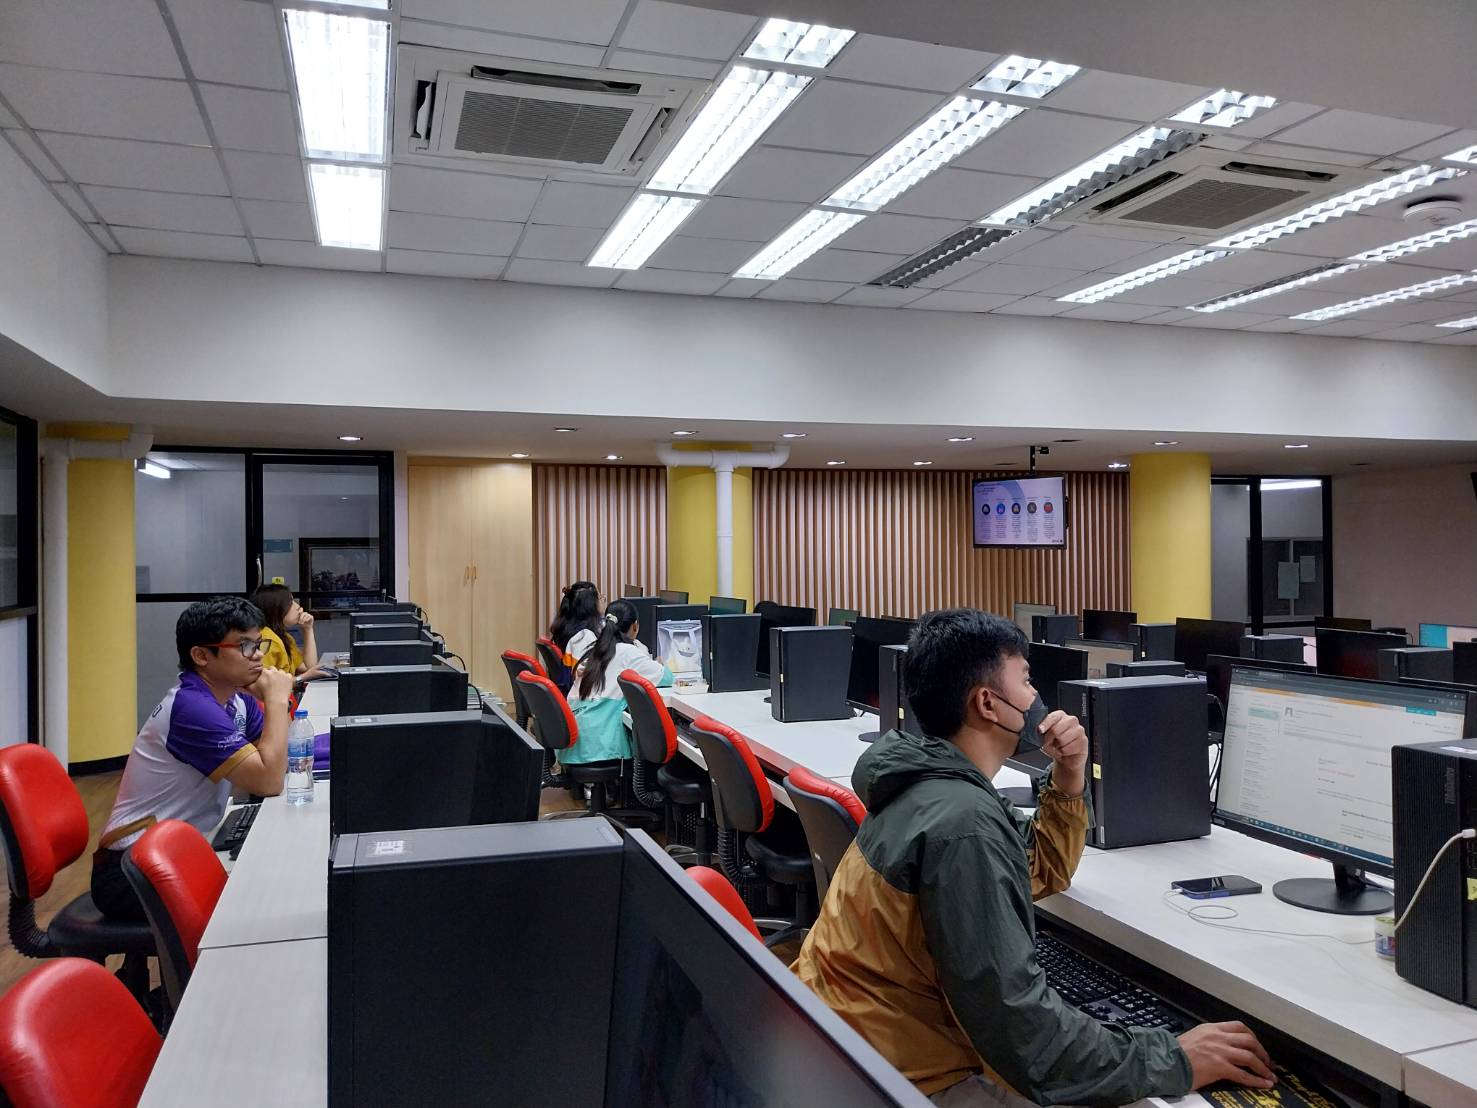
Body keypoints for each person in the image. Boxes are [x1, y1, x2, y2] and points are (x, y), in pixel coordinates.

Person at [791, 608, 1275, 1106]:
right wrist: (1173, 1058)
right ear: (987, 703)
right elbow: (1028, 1039)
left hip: (842, 1045)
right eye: (1025, 680)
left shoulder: (932, 784)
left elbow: (1042, 870)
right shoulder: (963, 824)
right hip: (895, 1081)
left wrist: (1068, 774)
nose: (1035, 695)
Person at [91, 596, 293, 922]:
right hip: (134, 868)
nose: (258, 655)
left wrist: (272, 705)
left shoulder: (234, 699)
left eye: (259, 644)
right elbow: (268, 780)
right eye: (244, 646)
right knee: (266, 898)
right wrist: (277, 700)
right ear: (201, 656)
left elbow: (276, 755)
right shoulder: (192, 709)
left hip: (185, 849)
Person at [564, 600, 671, 765]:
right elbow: (667, 678)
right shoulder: (628, 652)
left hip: (576, 742)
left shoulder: (595, 648)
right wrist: (659, 664)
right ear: (635, 626)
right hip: (600, 747)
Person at [249, 583, 326, 681]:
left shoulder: (285, 637)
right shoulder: (267, 639)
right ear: (275, 609)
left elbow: (308, 668)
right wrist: (300, 679)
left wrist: (308, 629)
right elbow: (263, 683)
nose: (298, 607)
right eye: (290, 603)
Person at [551, 580, 604, 670]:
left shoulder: (566, 627)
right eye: (600, 598)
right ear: (590, 605)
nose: (602, 602)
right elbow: (585, 673)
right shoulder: (583, 638)